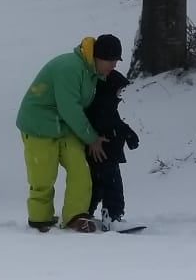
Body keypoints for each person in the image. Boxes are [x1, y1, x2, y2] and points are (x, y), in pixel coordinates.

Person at [15, 33, 122, 233]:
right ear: (98, 57)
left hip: (65, 127)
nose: (113, 67)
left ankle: (76, 216)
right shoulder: (70, 68)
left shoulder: (92, 73)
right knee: (43, 176)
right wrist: (91, 138)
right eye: (111, 62)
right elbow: (70, 108)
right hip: (39, 126)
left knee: (80, 169)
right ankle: (40, 218)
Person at [84, 68, 140, 229]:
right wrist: (126, 133)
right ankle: (112, 217)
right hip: (104, 155)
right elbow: (111, 124)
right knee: (112, 186)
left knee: (97, 186)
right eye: (119, 91)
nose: (120, 95)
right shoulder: (102, 107)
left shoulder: (106, 107)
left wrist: (128, 134)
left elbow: (116, 123)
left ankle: (86, 213)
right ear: (109, 89)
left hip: (104, 155)